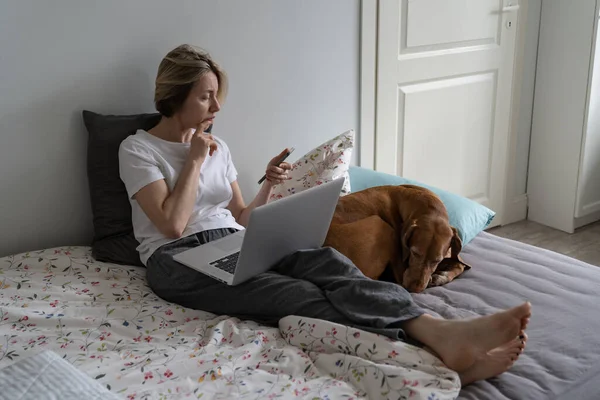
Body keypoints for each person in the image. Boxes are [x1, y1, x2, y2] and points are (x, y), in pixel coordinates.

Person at [118, 44, 531, 386]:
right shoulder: (138, 150)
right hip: (175, 259)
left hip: (233, 240)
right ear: (175, 96)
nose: (218, 105)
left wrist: (269, 185)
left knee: (329, 263)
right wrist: (192, 160)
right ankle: (430, 351)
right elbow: (171, 224)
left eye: (217, 94)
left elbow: (242, 217)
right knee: (294, 294)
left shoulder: (218, 147)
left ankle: (436, 329)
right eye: (206, 96)